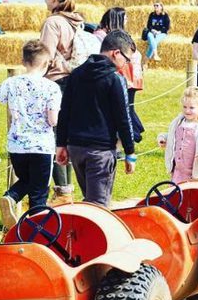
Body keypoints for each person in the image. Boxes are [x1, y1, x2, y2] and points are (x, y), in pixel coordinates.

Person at [0, 40, 61, 229]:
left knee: (26, 180)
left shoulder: (11, 83)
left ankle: (11, 197)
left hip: (17, 145)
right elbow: (53, 120)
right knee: (39, 194)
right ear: (46, 63)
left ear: (23, 61)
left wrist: (0, 91)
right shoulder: (51, 88)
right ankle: (37, 233)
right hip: (41, 145)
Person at [55, 30, 137, 207]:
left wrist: (61, 144)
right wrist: (130, 152)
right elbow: (123, 118)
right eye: (126, 59)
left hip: (76, 149)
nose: (126, 64)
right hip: (100, 152)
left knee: (89, 202)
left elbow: (64, 111)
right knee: (99, 206)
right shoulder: (115, 79)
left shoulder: (76, 74)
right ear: (116, 53)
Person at [40, 0, 85, 201]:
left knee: (54, 136)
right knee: (65, 135)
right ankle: (68, 188)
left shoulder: (53, 22)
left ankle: (61, 192)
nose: (45, 0)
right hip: (74, 80)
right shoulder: (75, 20)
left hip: (55, 80)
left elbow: (45, 55)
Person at [95, 7, 145, 144]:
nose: (127, 20)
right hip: (119, 76)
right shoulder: (102, 36)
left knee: (128, 106)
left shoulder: (122, 36)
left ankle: (132, 132)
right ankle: (132, 133)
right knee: (123, 108)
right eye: (125, 17)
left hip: (130, 76)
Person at [158, 86, 198, 183]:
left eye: (191, 108)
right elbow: (174, 137)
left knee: (192, 194)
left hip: (196, 173)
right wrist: (164, 138)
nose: (187, 111)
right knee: (177, 194)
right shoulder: (179, 122)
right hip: (178, 171)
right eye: (185, 107)